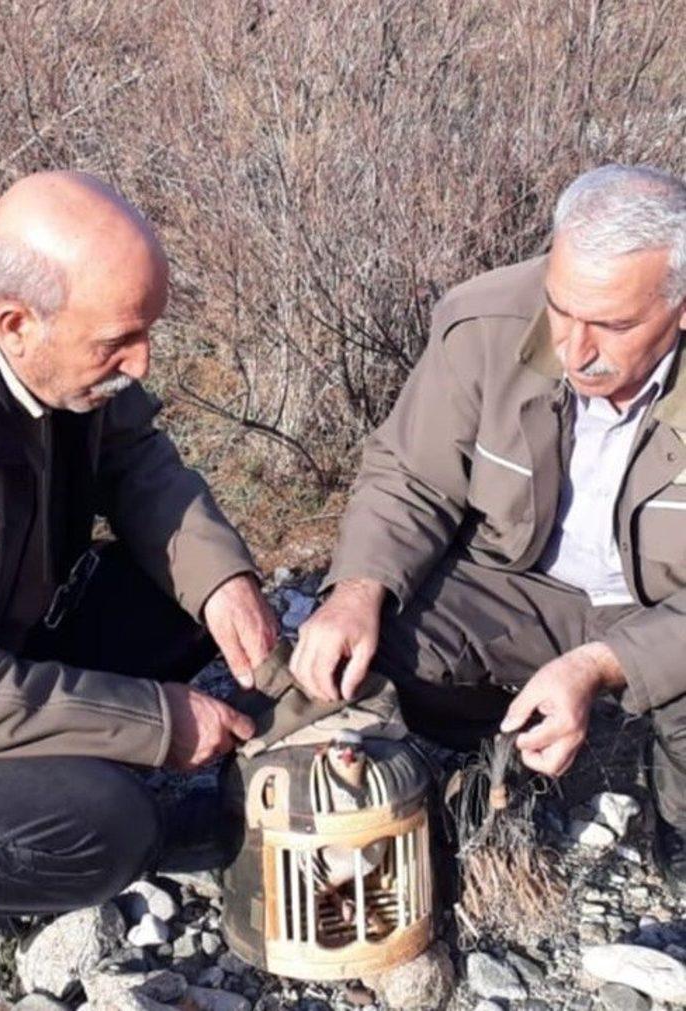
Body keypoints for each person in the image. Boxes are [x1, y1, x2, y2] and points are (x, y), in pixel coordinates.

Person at [290, 164, 686, 894]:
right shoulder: (485, 322)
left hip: (662, 612)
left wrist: (599, 664)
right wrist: (355, 591)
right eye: (563, 309)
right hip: (515, 585)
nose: (576, 350)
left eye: (616, 324)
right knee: (380, 642)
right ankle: (496, 760)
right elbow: (412, 475)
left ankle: (671, 822)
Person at [0, 171, 278, 913]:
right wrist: (157, 722)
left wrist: (225, 582)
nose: (140, 364)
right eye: (118, 343)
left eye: (146, 333)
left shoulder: (60, 350)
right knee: (106, 821)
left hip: (10, 629)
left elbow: (137, 461)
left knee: (190, 600)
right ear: (14, 323)